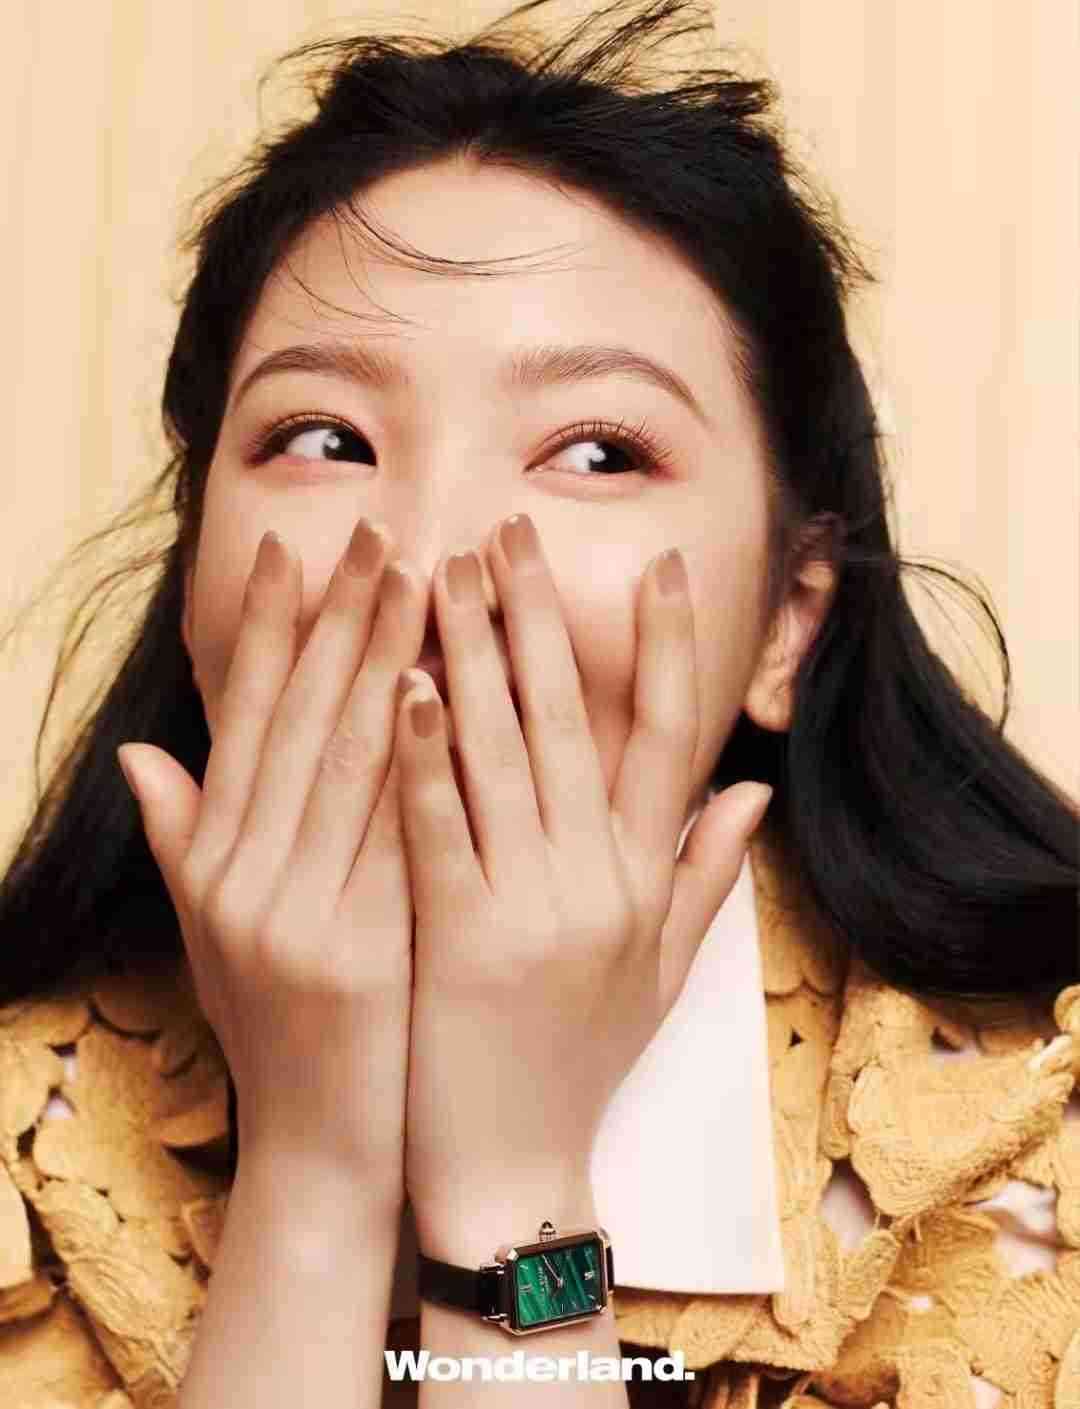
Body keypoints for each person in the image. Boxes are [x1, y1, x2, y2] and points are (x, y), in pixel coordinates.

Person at [0, 2, 1076, 1406]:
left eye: (597, 453)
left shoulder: (1017, 1175)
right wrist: (314, 1179)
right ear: (198, 572)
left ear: (786, 618)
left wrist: (512, 1184)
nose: (435, 555)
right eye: (325, 436)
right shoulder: (31, 1160)